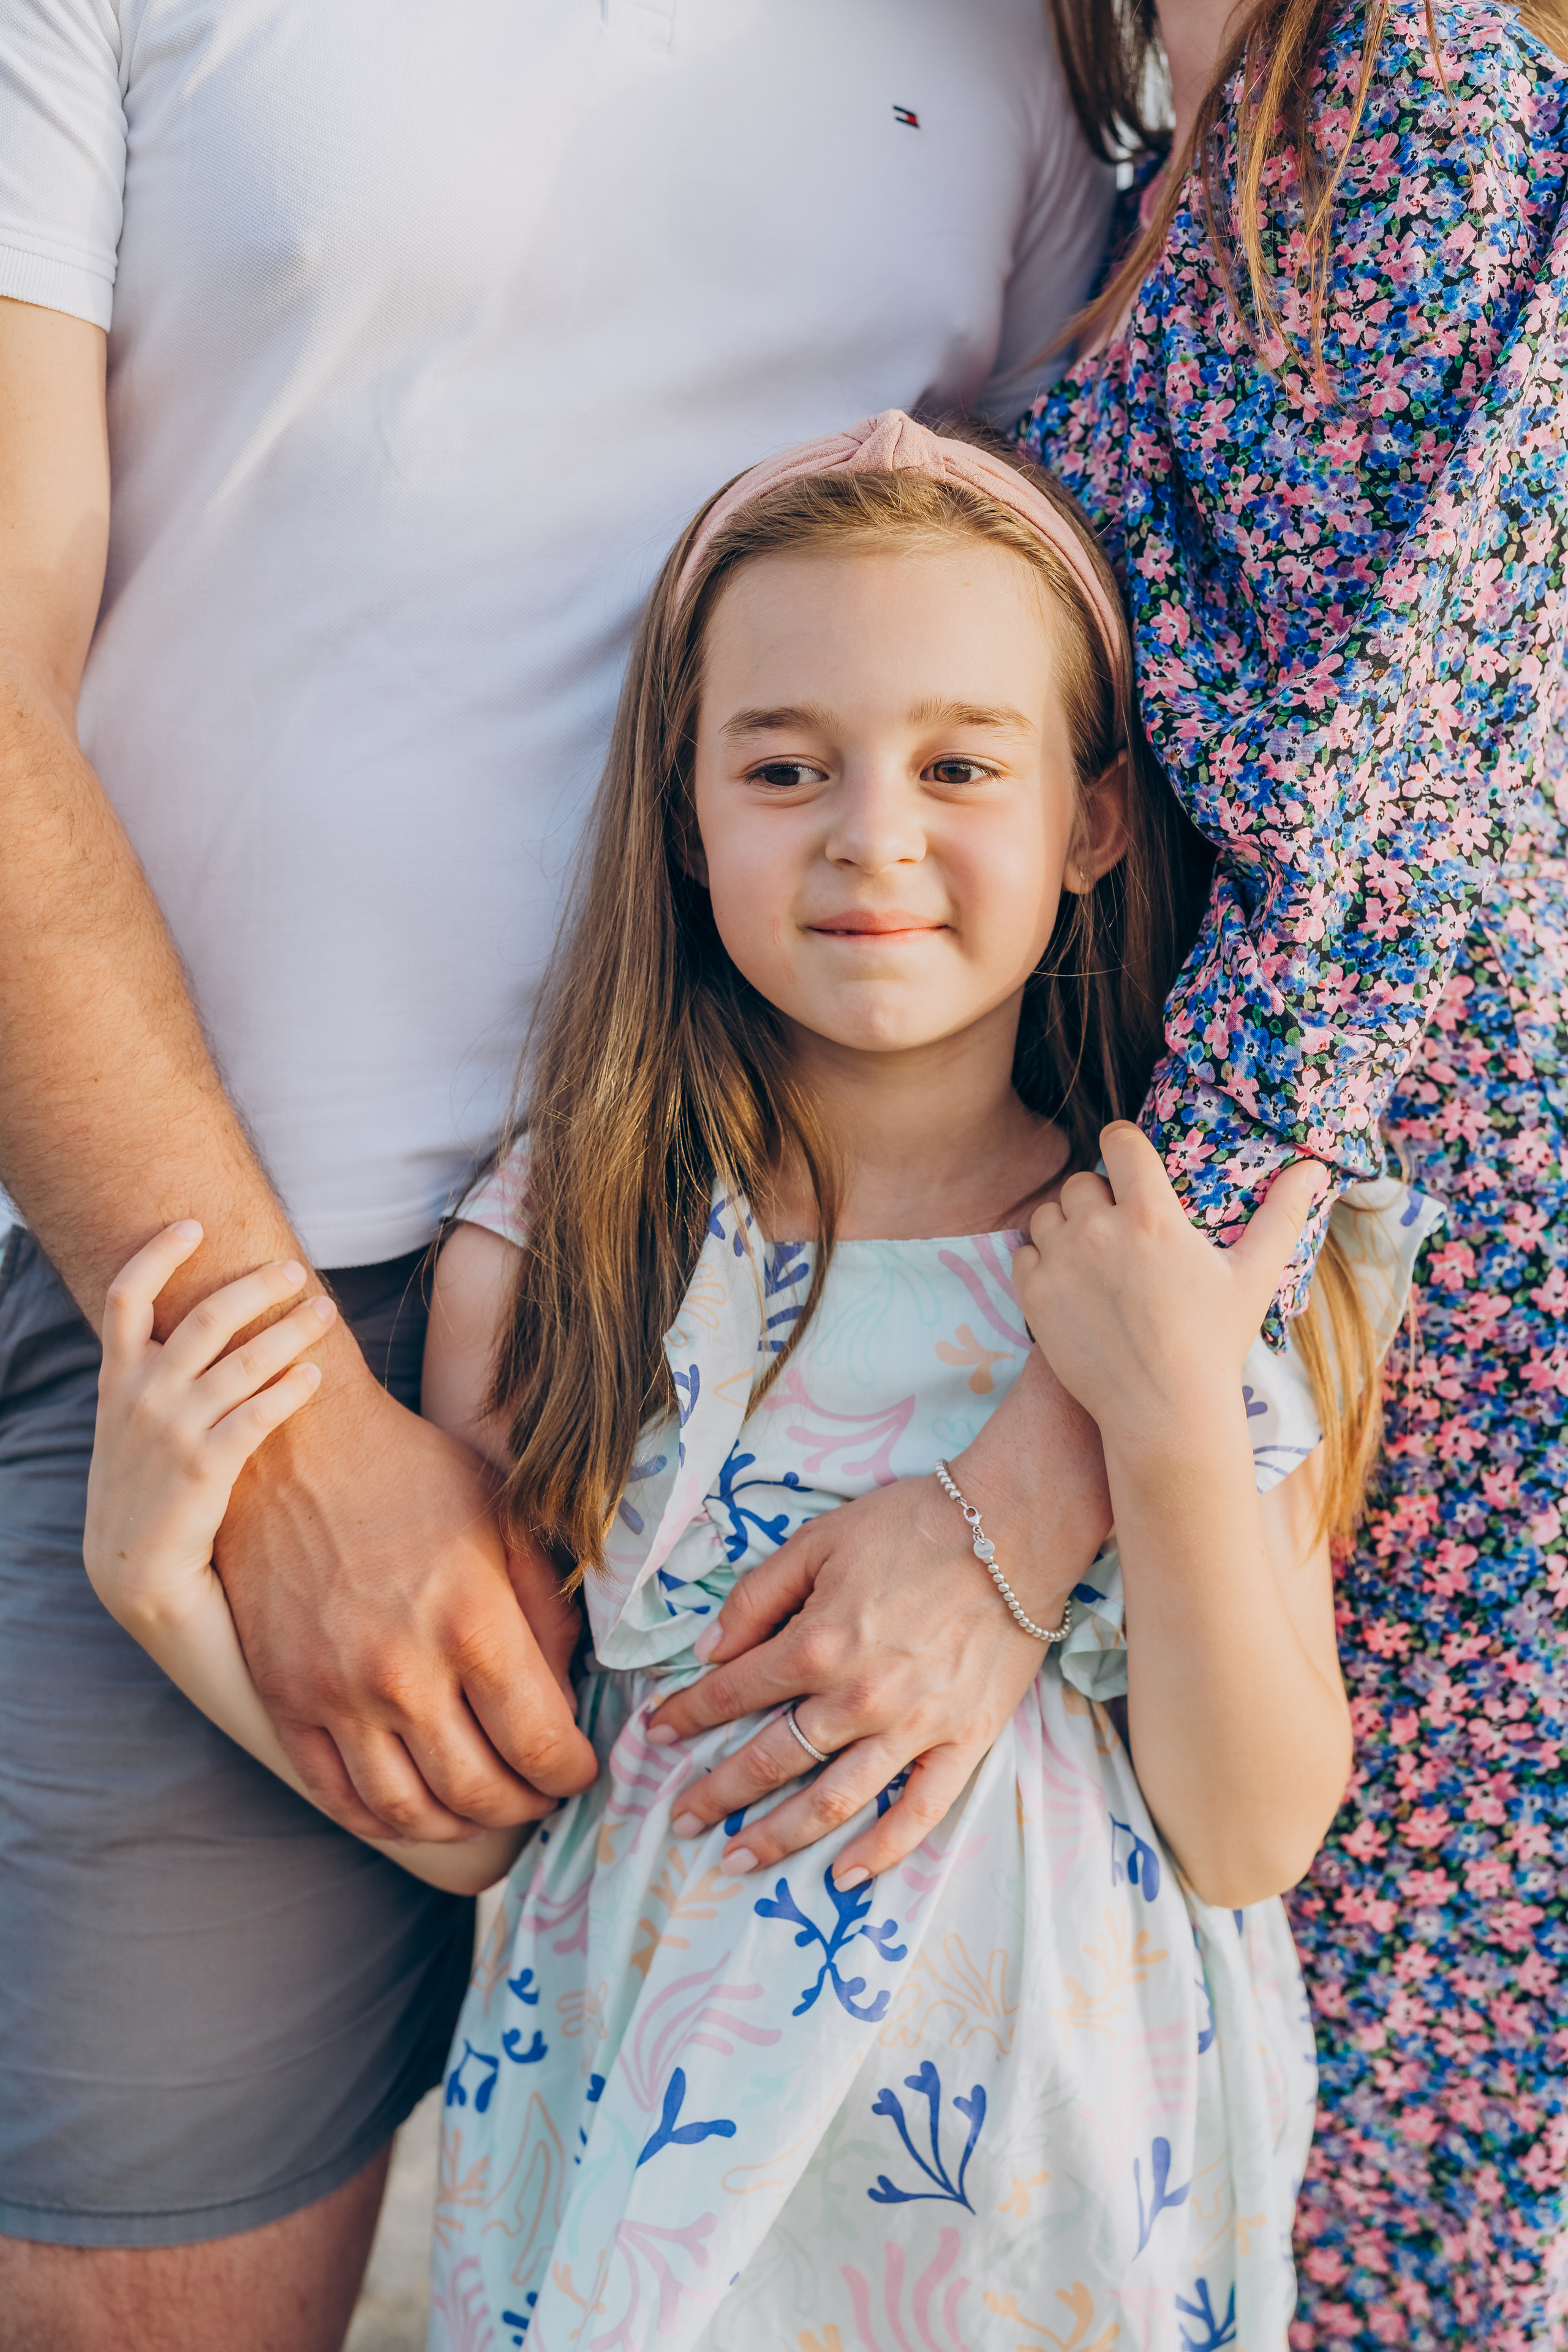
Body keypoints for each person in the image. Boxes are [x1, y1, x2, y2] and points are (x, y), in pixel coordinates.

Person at [0, 7, 1120, 2345]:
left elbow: (1075, 678)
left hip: (849, 1312)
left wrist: (1045, 1474)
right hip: (208, 1314)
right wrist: (289, 1419)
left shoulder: (1021, 50)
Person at [81, 413, 1434, 2347]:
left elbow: (1251, 1827)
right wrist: (167, 1599)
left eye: (962, 764)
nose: (871, 832)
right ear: (686, 815)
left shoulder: (1165, 1255)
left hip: (1055, 2239)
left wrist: (1162, 1421)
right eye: (785, 767)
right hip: (648, 2219)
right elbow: (499, 1807)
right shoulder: (574, 1240)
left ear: (1093, 820)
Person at [638, 1, 1568, 2342]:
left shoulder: (1415, 70)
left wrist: (1023, 1497)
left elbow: (1386, 854)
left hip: (1395, 1322)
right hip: (1204, 1294)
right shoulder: (1153, 130)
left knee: (1365, 2194)